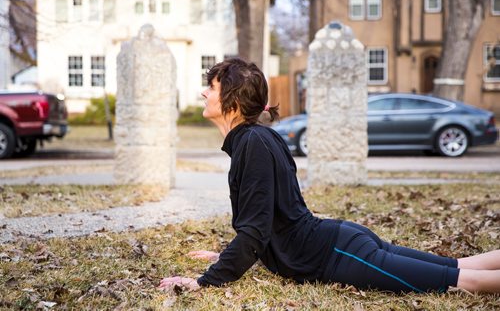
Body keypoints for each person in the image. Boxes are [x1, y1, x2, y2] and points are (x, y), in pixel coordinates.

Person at [159, 58, 500, 294]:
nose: (204, 92)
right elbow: (270, 222)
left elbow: (256, 230)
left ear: (231, 99)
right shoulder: (256, 139)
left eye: (212, 87)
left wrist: (206, 281)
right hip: (337, 239)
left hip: (334, 254)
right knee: (459, 265)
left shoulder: (254, 143)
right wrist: (227, 255)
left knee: (463, 281)